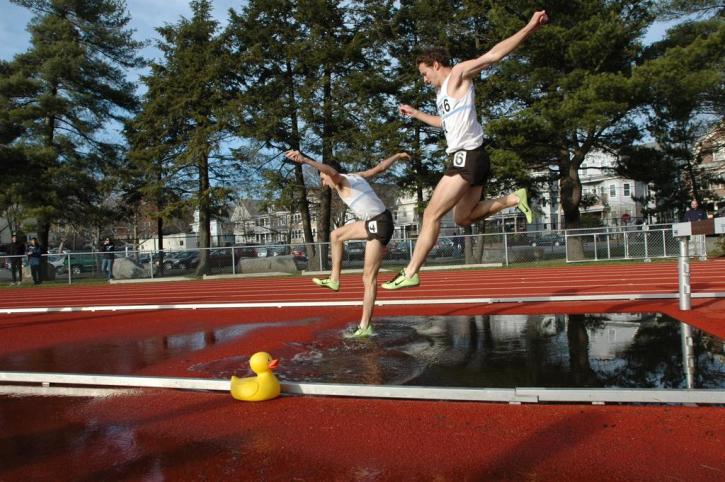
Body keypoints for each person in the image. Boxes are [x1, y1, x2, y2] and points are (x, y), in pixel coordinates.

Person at [382, 10, 548, 290]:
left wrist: (530, 26)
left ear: (436, 65)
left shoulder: (458, 74)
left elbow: (493, 55)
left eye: (424, 74)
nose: (424, 80)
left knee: (430, 215)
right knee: (462, 218)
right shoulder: (442, 94)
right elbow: (444, 123)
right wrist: (415, 113)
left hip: (466, 157)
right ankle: (511, 200)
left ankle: (411, 271)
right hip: (476, 157)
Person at [285, 149, 410, 338]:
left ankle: (361, 320)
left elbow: (331, 173)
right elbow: (379, 168)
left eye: (322, 177)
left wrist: (305, 160)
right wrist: (398, 155)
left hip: (379, 223)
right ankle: (338, 285)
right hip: (376, 222)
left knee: (367, 277)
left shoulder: (340, 179)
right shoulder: (355, 176)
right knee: (337, 237)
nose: (323, 181)